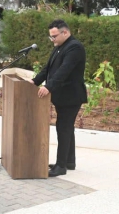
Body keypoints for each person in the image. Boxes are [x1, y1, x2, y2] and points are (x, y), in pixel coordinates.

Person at [29, 19, 87, 177]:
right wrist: (35, 81)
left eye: (54, 36)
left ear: (65, 32)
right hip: (63, 96)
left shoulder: (74, 47)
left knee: (63, 127)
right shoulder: (59, 47)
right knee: (66, 127)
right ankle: (69, 161)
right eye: (51, 37)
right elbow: (48, 68)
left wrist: (48, 87)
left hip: (71, 96)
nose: (52, 39)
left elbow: (64, 70)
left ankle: (61, 166)